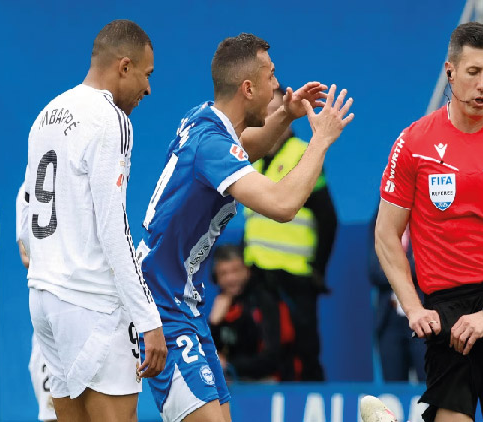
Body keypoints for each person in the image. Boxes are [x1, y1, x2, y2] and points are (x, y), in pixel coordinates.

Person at [138, 33, 353, 422]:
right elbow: (282, 205)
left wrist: (285, 114)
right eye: (271, 76)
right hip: (161, 304)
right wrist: (321, 140)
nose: (277, 84)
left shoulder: (205, 119)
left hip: (182, 302)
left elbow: (248, 146)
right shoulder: (211, 145)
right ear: (248, 88)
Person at [375, 22, 483, 422]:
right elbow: (385, 235)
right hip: (445, 314)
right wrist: (413, 308)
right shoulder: (413, 143)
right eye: (473, 72)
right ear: (450, 72)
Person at [21, 19, 166, 422]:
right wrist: (148, 318)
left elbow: (26, 207)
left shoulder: (45, 115)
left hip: (44, 300)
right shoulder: (110, 118)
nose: (148, 89)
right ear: (124, 66)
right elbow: (113, 228)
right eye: (146, 74)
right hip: (90, 303)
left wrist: (36, 253)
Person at [242, 86, 338, 381]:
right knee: (266, 353)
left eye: (277, 111)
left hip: (296, 277)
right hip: (259, 276)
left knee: (305, 352)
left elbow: (327, 218)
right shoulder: (250, 157)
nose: (270, 118)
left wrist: (317, 270)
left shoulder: (302, 153)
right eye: (265, 112)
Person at [209, 245, 295, 381]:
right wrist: (214, 324)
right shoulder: (221, 305)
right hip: (233, 380)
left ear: (247, 271)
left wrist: (230, 365)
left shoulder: (265, 302)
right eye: (223, 273)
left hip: (270, 381)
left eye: (236, 270)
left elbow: (272, 359)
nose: (230, 278)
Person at [16, 182, 57, 422]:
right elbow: (27, 255)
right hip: (52, 321)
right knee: (53, 413)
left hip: (92, 318)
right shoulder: (28, 190)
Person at [369, 214, 426, 382]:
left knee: (429, 385)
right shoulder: (379, 218)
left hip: (424, 316)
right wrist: (408, 268)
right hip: (389, 317)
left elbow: (427, 267)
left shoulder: (428, 218)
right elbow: (374, 270)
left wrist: (390, 266)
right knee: (393, 386)